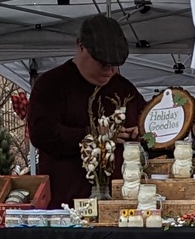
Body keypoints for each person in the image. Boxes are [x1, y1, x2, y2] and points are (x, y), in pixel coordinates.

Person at [26, 15, 142, 208]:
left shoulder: (124, 89)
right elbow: (43, 134)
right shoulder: (51, 85)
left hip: (121, 208)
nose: (110, 70)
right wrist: (95, 135)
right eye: (102, 63)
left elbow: (146, 125)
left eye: (115, 64)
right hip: (66, 207)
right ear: (80, 46)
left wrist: (141, 132)